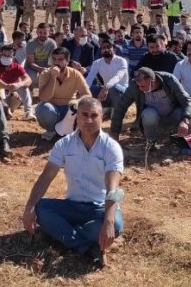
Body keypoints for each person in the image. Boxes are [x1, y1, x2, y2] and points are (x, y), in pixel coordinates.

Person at [23, 97, 124, 268]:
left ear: (102, 118)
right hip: (72, 206)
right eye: (84, 115)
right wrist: (29, 207)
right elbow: (46, 177)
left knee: (116, 224)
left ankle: (62, 235)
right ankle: (86, 247)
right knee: (40, 208)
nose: (89, 120)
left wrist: (108, 222)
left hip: (99, 208)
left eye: (94, 115)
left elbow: (112, 189)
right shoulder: (64, 144)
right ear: (77, 117)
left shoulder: (111, 147)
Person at [109, 67, 191, 150]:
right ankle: (151, 142)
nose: (140, 89)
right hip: (152, 123)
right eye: (139, 86)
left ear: (152, 82)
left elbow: (186, 100)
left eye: (143, 86)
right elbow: (121, 107)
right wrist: (114, 132)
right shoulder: (134, 86)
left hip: (172, 117)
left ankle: (178, 137)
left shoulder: (169, 79)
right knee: (149, 114)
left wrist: (185, 121)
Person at [35, 47, 92, 141]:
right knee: (43, 109)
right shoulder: (45, 73)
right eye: (54, 59)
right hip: (52, 110)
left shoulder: (76, 74)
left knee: (87, 106)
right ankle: (52, 130)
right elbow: (44, 98)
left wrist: (77, 102)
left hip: (70, 109)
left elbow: (87, 94)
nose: (56, 62)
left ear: (67, 60)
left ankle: (68, 130)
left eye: (60, 59)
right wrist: (53, 77)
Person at [0, 44, 35, 121]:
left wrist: (18, 85)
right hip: (0, 99)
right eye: (4, 55)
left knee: (24, 87)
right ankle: (5, 109)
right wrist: (7, 86)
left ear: (13, 56)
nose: (6, 57)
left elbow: (28, 79)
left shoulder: (16, 66)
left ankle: (28, 111)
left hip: (14, 98)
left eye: (9, 55)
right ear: (1, 54)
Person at [85, 37, 129, 111]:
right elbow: (90, 78)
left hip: (122, 91)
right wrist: (82, 89)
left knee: (113, 87)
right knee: (90, 89)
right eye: (103, 48)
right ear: (101, 50)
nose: (106, 49)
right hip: (106, 91)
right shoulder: (97, 63)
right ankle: (107, 108)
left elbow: (118, 77)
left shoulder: (121, 61)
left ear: (114, 49)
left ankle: (118, 111)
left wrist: (106, 87)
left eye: (108, 47)